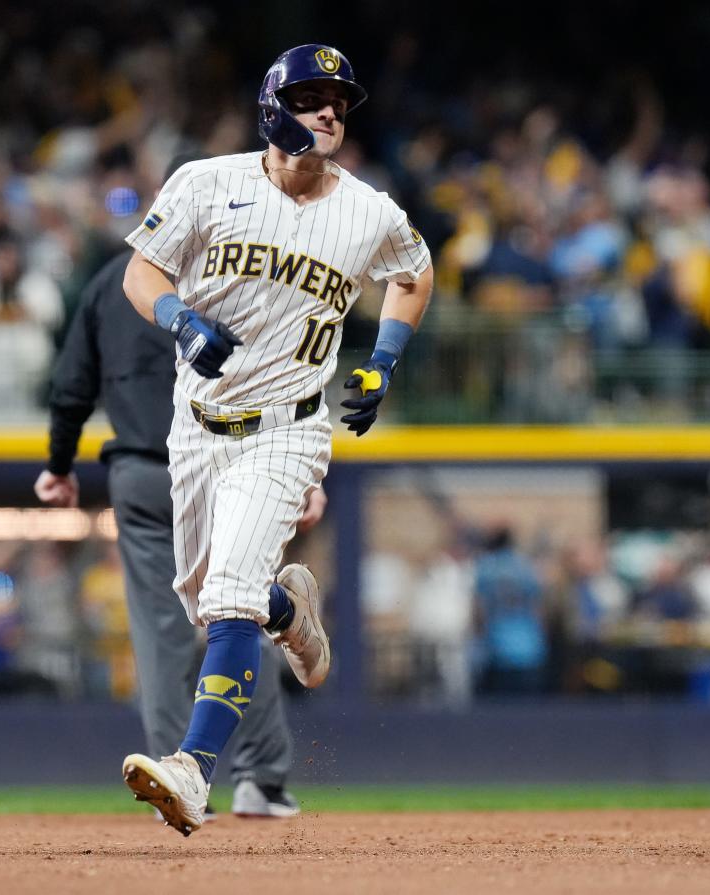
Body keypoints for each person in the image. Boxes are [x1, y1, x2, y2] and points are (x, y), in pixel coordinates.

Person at [119, 43, 433, 836]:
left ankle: (193, 771)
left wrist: (384, 362)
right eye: (310, 96)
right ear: (272, 107)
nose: (329, 110)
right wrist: (181, 320)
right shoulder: (206, 182)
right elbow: (141, 274)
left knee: (225, 595)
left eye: (337, 100)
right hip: (196, 426)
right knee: (205, 596)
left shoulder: (368, 209)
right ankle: (289, 609)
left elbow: (414, 271)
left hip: (289, 429)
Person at [34, 168, 327, 815]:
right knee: (241, 607)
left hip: (143, 472)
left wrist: (58, 463)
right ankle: (260, 777)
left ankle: (181, 768)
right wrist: (303, 469)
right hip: (229, 460)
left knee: (163, 630)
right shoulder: (255, 266)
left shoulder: (118, 278)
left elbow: (70, 385)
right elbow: (293, 368)